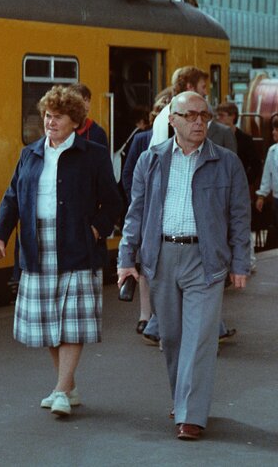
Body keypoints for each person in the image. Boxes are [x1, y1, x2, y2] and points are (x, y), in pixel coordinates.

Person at [117, 91, 251, 441]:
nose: (198, 122)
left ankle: (191, 415)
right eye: (190, 115)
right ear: (171, 119)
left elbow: (239, 217)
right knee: (173, 338)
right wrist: (125, 259)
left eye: (203, 116)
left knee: (201, 339)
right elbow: (136, 212)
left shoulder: (226, 162)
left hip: (205, 260)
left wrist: (240, 263)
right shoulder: (152, 159)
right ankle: (183, 399)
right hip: (161, 258)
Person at [0, 85, 120, 417]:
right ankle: (69, 386)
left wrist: (96, 228)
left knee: (72, 321)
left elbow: (114, 201)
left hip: (77, 245)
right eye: (47, 115)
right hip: (36, 244)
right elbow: (12, 199)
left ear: (75, 121)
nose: (50, 122)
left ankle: (60, 390)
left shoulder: (93, 155)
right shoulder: (30, 154)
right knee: (49, 321)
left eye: (58, 117)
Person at [119, 87, 172, 341]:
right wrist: (136, 202)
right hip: (146, 210)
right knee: (144, 265)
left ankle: (158, 322)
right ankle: (145, 315)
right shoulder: (142, 139)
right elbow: (129, 173)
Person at [151, 67, 235, 153]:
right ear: (190, 87)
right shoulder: (175, 114)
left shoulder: (163, 115)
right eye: (203, 87)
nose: (205, 92)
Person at [255, 113, 278, 251]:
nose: (273, 132)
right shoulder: (273, 150)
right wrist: (261, 195)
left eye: (276, 129)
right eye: (273, 129)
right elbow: (267, 176)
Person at [68, 83, 109, 149]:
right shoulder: (63, 131)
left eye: (88, 101)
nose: (87, 105)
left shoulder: (98, 132)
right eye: (83, 100)